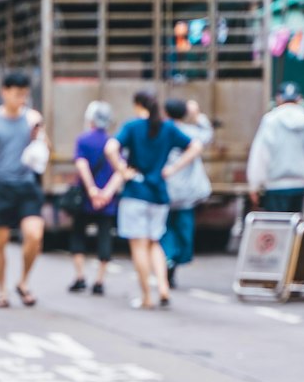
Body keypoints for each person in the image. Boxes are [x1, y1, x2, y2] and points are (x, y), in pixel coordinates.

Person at [105, 89, 204, 310]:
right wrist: (173, 168)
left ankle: (147, 296)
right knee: (155, 242)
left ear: (137, 104)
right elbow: (196, 146)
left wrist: (121, 169)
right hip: (159, 195)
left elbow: (110, 148)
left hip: (135, 195)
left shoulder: (131, 127)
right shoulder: (167, 128)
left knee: (139, 246)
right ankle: (163, 287)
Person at [0, 71, 47, 308]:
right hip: (0, 185)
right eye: (17, 94)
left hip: (27, 184)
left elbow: (43, 151)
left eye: (24, 95)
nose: (21, 99)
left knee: (35, 235)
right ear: (4, 92)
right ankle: (1, 290)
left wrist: (40, 137)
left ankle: (23, 282)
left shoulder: (33, 118)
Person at [68, 100, 120, 296]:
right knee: (105, 237)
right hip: (107, 201)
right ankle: (99, 280)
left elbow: (81, 165)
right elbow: (119, 170)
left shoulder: (83, 140)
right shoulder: (113, 142)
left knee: (78, 235)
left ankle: (80, 276)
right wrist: (106, 193)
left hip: (86, 198)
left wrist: (91, 190)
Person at [247, 83, 304, 212]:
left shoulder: (270, 121)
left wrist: (254, 185)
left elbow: (261, 155)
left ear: (278, 98)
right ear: (300, 99)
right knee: (298, 229)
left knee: (279, 228)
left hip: (274, 187)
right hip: (301, 186)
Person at [162, 97, 213, 287]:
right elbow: (207, 134)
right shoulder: (192, 133)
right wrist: (197, 114)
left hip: (165, 191)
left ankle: (167, 259)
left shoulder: (162, 131)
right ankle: (174, 260)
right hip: (186, 195)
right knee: (184, 231)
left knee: (165, 230)